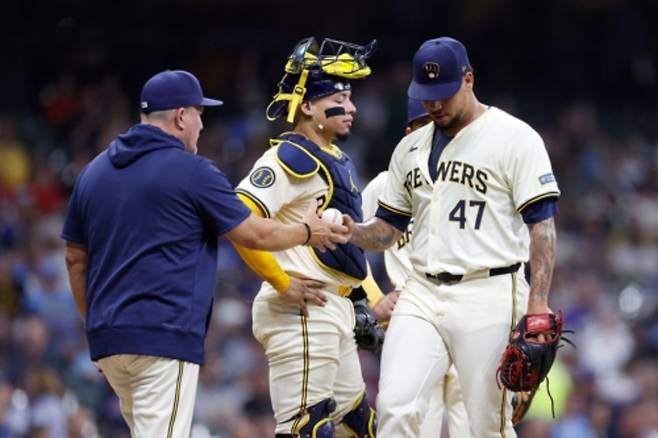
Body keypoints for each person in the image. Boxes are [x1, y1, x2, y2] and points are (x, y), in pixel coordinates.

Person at [61, 69, 349, 438]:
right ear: (181, 116)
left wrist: (96, 326)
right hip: (163, 336)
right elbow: (254, 234)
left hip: (109, 339)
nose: (201, 123)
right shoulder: (191, 171)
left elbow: (74, 258)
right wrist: (308, 232)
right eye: (199, 113)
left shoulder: (94, 172)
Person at [347, 37, 561, 437]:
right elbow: (388, 231)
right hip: (421, 292)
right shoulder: (408, 148)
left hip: (489, 290)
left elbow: (543, 225)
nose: (434, 105)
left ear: (468, 79)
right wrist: (351, 231)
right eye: (425, 96)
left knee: (484, 425)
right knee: (395, 408)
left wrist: (538, 300)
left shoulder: (515, 138)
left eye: (443, 94)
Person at [233, 37, 396, 437]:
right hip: (302, 310)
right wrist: (281, 281)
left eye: (351, 96)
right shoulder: (290, 157)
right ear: (307, 105)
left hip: (331, 309)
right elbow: (238, 219)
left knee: (357, 427)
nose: (352, 107)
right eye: (340, 96)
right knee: (306, 430)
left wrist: (375, 300)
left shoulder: (335, 160)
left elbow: (348, 252)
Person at [360, 97, 469, 437]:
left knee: (477, 426)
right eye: (428, 124)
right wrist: (375, 298)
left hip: (470, 312)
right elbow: (348, 250)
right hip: (413, 315)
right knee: (410, 422)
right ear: (411, 131)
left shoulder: (469, 180)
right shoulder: (382, 186)